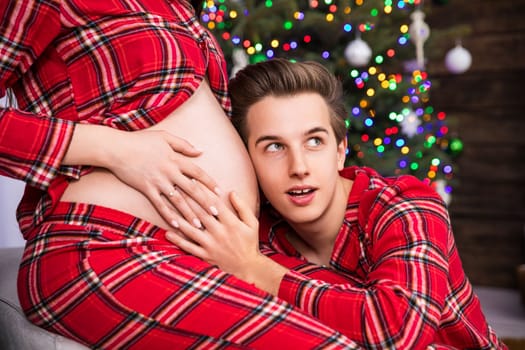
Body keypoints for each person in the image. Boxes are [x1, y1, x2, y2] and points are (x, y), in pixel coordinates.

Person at [0, 1, 360, 348]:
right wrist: (116, 148)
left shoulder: (178, 6)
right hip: (107, 244)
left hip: (209, 253)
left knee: (367, 324)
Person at [168, 58, 507, 349]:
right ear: (247, 159)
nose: (298, 167)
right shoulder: (252, 236)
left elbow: (398, 332)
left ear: (340, 149)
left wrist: (255, 270)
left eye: (314, 141)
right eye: (274, 147)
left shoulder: (406, 206)